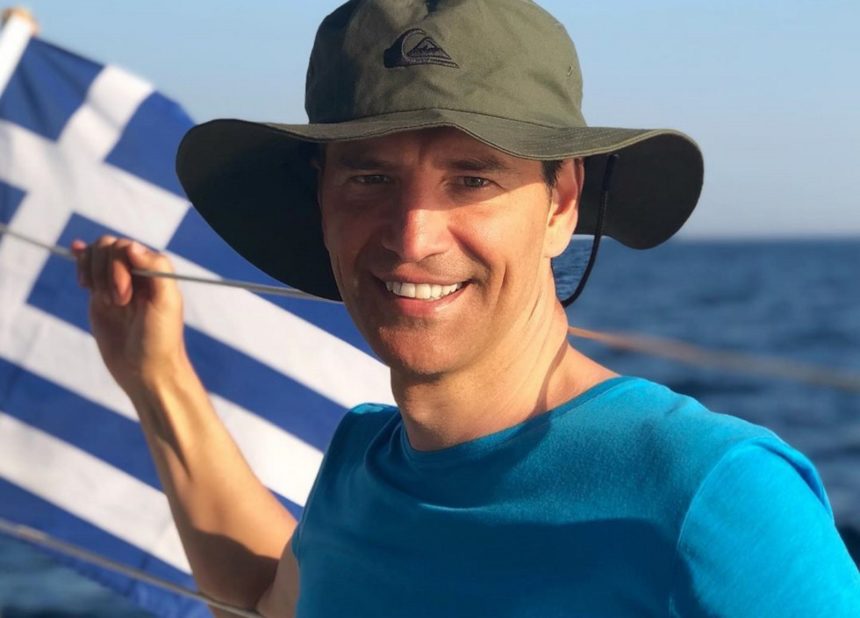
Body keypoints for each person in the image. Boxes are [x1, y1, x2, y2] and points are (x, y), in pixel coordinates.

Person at [72, 0, 860, 616]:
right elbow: (264, 604)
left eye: (471, 178)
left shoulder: (713, 493)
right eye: (369, 178)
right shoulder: (361, 465)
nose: (412, 236)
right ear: (321, 202)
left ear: (561, 203)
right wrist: (156, 378)